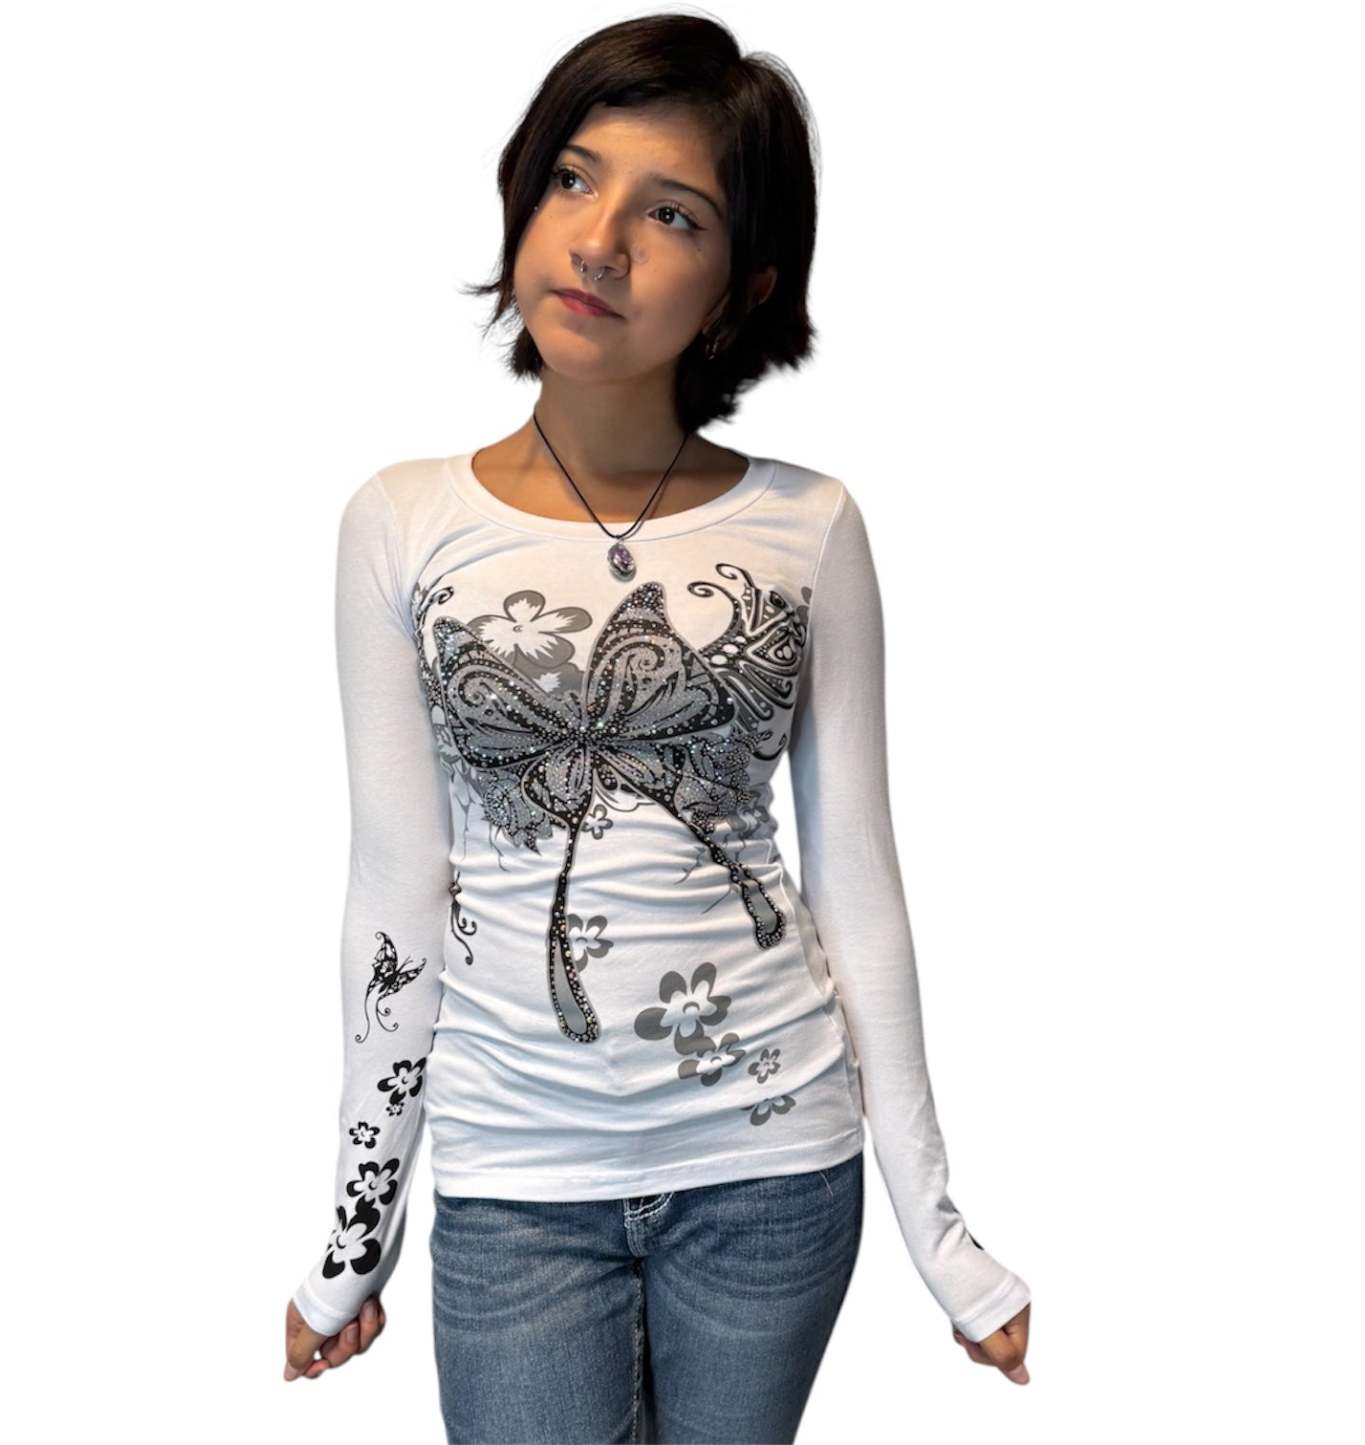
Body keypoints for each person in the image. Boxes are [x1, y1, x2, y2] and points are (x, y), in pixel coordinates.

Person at [282, 13, 1032, 1439]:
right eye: (573, 179)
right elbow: (395, 890)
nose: (601, 240)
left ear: (743, 286)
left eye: (669, 212)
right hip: (514, 1188)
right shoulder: (400, 522)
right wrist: (354, 1233)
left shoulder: (810, 526)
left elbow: (856, 883)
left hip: (773, 1181)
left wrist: (941, 1235)